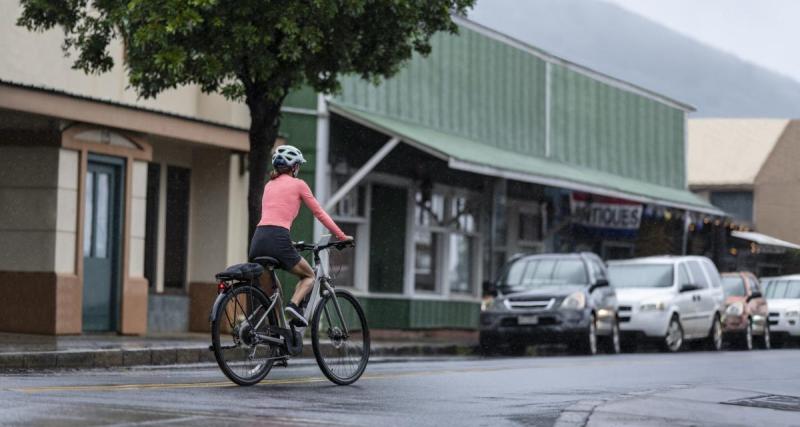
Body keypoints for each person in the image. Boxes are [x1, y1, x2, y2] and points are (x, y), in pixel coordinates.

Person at [249, 145, 352, 326]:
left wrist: (289, 242)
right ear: (294, 167)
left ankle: (275, 332)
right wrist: (341, 236)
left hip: (258, 239)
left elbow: (273, 218)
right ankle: (294, 306)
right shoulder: (299, 185)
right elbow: (319, 213)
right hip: (278, 238)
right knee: (309, 276)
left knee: (275, 292)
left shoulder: (269, 185)